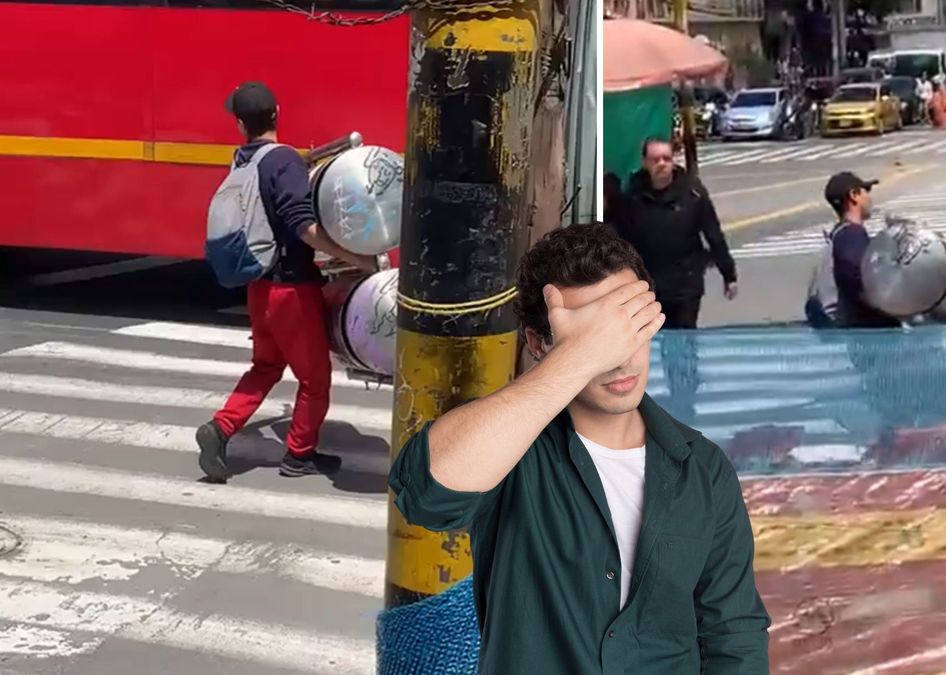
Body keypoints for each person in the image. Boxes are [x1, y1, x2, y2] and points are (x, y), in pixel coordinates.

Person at [389, 223, 770, 675]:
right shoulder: (513, 451)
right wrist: (578, 356)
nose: (620, 357)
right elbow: (427, 496)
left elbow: (733, 634)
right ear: (538, 343)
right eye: (594, 338)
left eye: (627, 327)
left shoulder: (703, 469)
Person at [196, 82, 377, 482]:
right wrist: (357, 260)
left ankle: (221, 427)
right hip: (291, 290)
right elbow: (303, 227)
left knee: (266, 365)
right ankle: (299, 455)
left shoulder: (243, 160)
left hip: (259, 286)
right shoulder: (282, 160)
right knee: (315, 379)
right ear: (277, 113)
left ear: (241, 124)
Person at [615, 138, 737, 330]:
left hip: (685, 287)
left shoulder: (693, 193)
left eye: (666, 158)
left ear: (674, 160)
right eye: (655, 159)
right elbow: (620, 241)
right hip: (647, 288)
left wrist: (729, 275)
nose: (661, 164)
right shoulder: (632, 197)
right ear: (645, 163)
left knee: (683, 347)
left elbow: (713, 235)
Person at [825, 171, 901, 329]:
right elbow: (864, 280)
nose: (869, 197)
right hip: (869, 333)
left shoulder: (843, 234)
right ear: (854, 195)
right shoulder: (851, 236)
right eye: (866, 190)